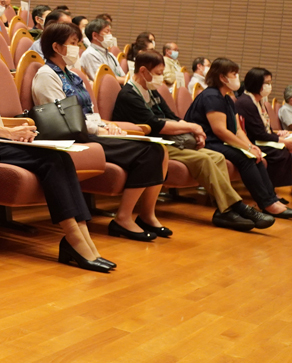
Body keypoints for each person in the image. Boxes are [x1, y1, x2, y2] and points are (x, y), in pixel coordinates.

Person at [0, 6, 112, 273]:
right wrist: (5, 132)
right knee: (52, 161)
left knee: (60, 156)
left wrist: (16, 131)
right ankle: (75, 240)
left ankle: (83, 237)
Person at [33, 22, 169, 242]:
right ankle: (123, 219)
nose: (77, 48)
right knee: (149, 152)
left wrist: (106, 125)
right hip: (72, 138)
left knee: (155, 148)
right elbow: (62, 120)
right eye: (73, 43)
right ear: (56, 47)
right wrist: (101, 128)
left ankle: (141, 216)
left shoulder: (74, 76)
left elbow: (90, 112)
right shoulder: (47, 75)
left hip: (92, 132)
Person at [113, 51, 271, 231]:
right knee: (203, 159)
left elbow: (172, 117)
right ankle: (235, 207)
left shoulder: (152, 91)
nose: (161, 78)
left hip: (169, 141)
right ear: (143, 71)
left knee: (217, 157)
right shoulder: (129, 94)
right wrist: (192, 127)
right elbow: (155, 125)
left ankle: (224, 210)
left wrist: (194, 131)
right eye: (158, 73)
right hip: (148, 143)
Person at [184, 58, 292, 219]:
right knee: (245, 157)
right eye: (234, 74)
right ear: (222, 77)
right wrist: (247, 148)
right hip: (205, 141)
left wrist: (250, 146)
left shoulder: (227, 99)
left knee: (255, 156)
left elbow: (237, 129)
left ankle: (271, 199)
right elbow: (220, 131)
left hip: (217, 141)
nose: (237, 77)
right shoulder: (211, 96)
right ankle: (267, 203)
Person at [236, 68, 292, 198]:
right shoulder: (246, 102)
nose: (269, 86)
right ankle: (269, 192)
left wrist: (277, 134)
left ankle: (271, 191)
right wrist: (283, 141)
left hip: (260, 138)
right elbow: (257, 133)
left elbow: (264, 127)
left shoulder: (259, 101)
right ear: (256, 84)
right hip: (251, 141)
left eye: (270, 83)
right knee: (280, 153)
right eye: (266, 83)